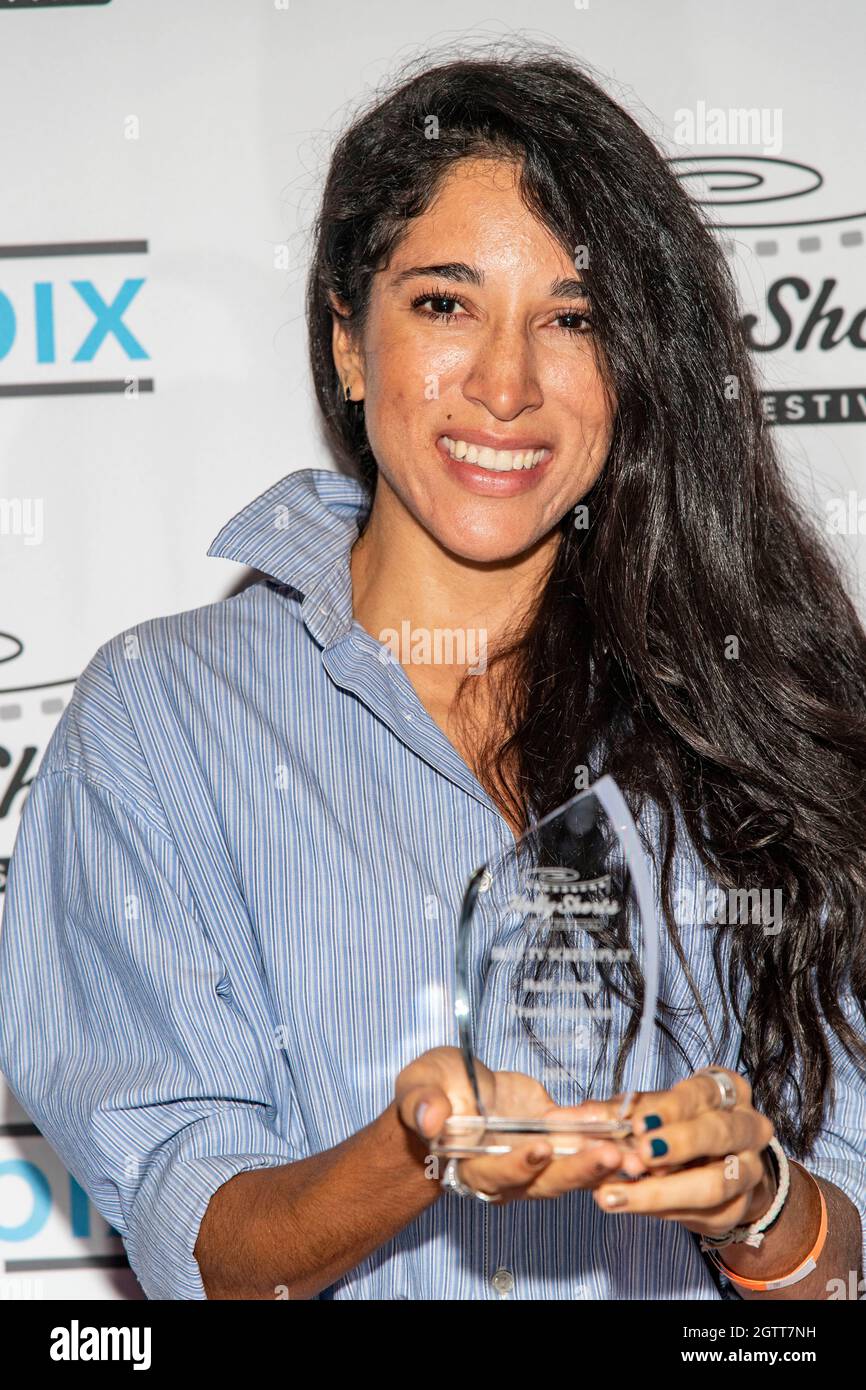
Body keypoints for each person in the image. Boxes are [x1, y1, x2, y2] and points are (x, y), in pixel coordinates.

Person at [1, 44, 864, 1302]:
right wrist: (414, 1153)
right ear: (348, 341)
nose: (505, 386)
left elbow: (842, 1263)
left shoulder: (755, 713)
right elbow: (209, 1257)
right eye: (444, 304)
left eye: (570, 319)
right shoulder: (162, 718)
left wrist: (762, 1208)